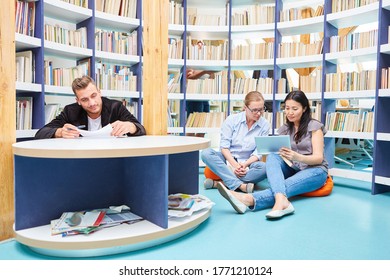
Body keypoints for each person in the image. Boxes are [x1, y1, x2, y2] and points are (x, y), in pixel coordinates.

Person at [216, 90, 328, 219]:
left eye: (295, 109)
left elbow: (319, 158)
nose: (290, 112)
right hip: (295, 168)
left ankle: (248, 199)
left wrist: (296, 157)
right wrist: (282, 155)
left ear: (304, 109)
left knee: (284, 186)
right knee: (273, 156)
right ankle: (282, 201)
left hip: (315, 170)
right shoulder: (285, 128)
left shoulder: (314, 126)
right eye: (287, 108)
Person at [201, 91, 270, 193]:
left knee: (265, 168)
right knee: (206, 153)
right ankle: (240, 185)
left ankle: (222, 183)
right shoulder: (231, 120)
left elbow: (258, 152)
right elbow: (224, 147)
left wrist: (245, 164)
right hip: (228, 160)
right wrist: (235, 165)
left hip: (249, 164)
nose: (259, 113)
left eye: (261, 109)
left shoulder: (265, 125)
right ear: (245, 108)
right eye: (255, 110)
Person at [35, 75, 146, 139]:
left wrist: (131, 126)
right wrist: (59, 132)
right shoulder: (70, 111)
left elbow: (141, 129)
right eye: (84, 99)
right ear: (78, 101)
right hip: (82, 159)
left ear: (99, 92)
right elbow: (40, 133)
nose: (92, 103)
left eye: (94, 96)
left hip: (112, 157)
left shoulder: (115, 107)